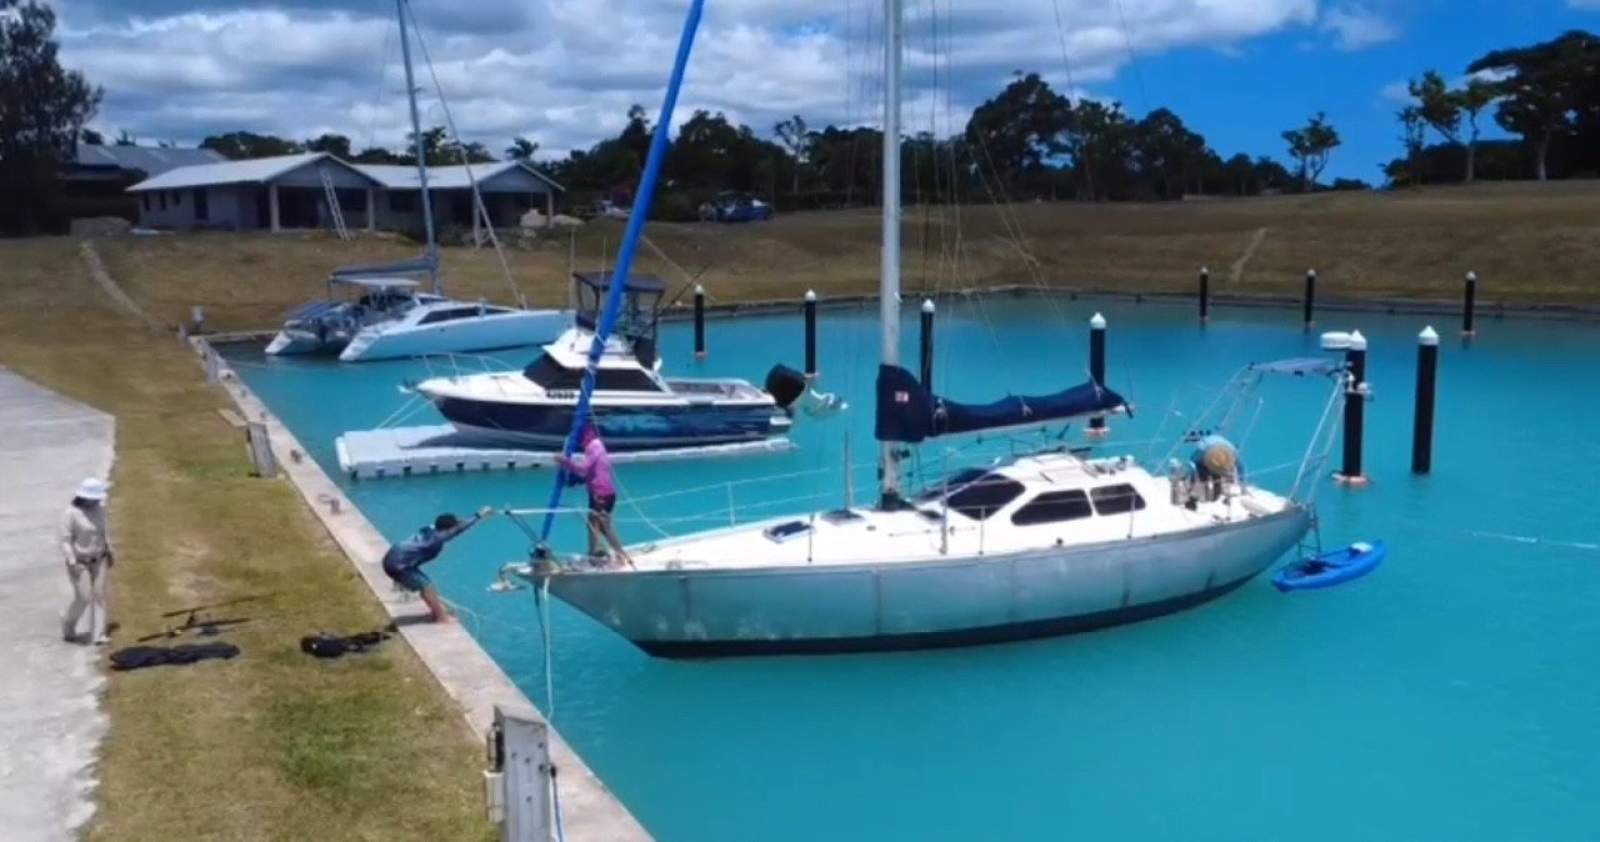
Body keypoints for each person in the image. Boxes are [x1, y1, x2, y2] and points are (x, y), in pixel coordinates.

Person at [381, 506, 493, 623]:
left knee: (427, 586)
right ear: (448, 529)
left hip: (397, 560)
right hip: (398, 565)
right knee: (427, 587)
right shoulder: (438, 538)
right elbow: (459, 529)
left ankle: (435, 613)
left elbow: (456, 525)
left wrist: (478, 515)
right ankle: (442, 618)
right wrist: (478, 516)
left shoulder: (431, 529)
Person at [554, 423, 633, 568]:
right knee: (592, 525)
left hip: (602, 494)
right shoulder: (596, 447)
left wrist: (564, 461)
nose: (578, 441)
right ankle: (592, 555)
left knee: (603, 527)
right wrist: (571, 479)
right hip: (598, 493)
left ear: (586, 435)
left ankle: (621, 556)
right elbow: (592, 473)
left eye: (579, 437)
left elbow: (583, 469)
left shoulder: (594, 447)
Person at [60, 477, 114, 645]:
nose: (98, 500)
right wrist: (72, 560)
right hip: (79, 562)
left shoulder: (100, 509)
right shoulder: (70, 514)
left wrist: (110, 550)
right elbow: (65, 540)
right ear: (84, 497)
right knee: (83, 597)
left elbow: (102, 532)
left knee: (99, 595)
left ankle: (98, 635)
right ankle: (68, 624)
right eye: (95, 497)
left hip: (99, 558)